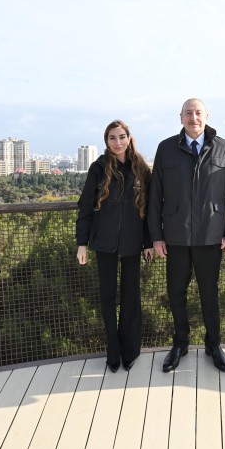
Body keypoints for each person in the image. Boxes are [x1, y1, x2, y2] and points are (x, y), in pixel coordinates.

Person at [148, 98, 225, 372]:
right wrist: (156, 236)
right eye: (188, 113)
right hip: (175, 236)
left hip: (211, 236)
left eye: (198, 113)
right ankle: (180, 343)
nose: (193, 118)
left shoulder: (224, 148)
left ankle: (214, 345)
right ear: (181, 118)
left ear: (207, 116)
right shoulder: (166, 149)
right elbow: (155, 197)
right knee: (176, 292)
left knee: (209, 293)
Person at [76, 120, 153, 373]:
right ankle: (113, 353)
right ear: (106, 141)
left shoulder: (140, 167)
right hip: (104, 243)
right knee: (108, 298)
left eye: (121, 137)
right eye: (112, 138)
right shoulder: (98, 168)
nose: (117, 142)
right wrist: (82, 243)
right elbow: (85, 207)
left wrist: (149, 243)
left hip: (132, 244)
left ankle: (131, 350)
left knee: (131, 298)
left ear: (129, 138)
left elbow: (150, 210)